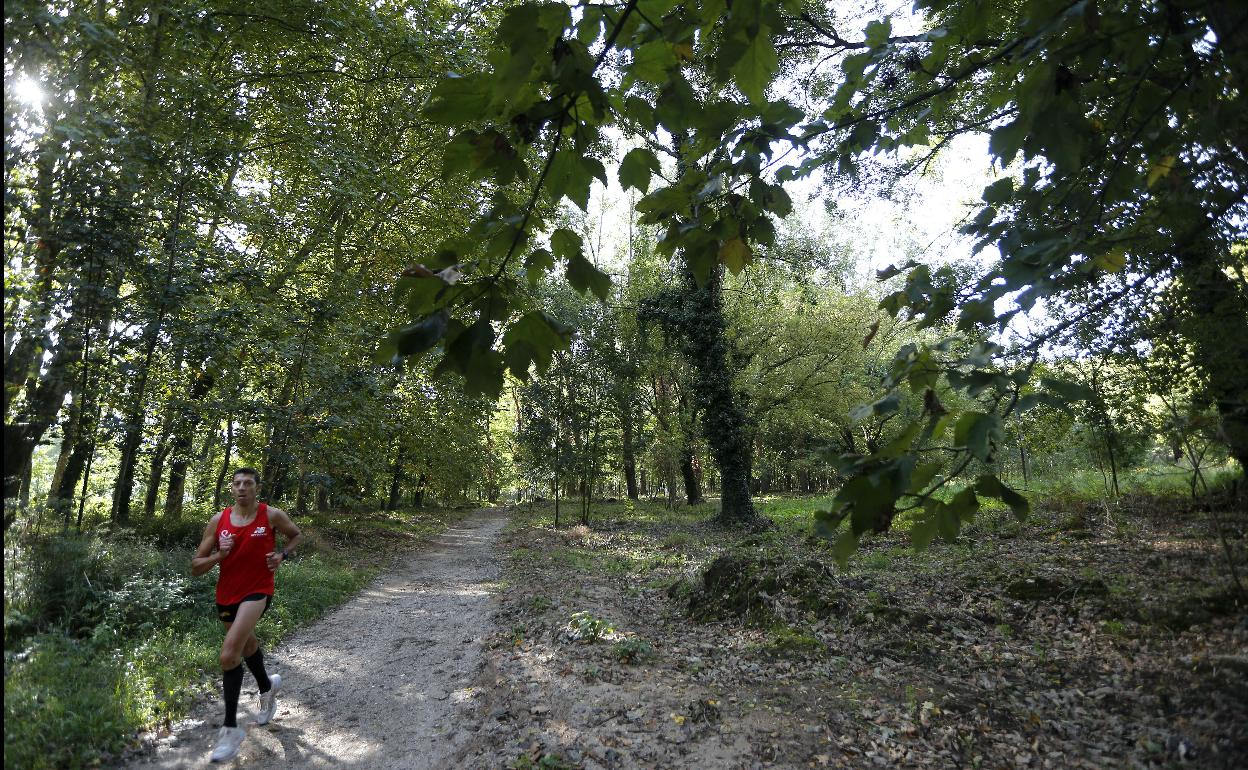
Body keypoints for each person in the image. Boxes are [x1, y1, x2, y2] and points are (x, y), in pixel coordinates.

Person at [192, 467, 303, 763]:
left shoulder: (271, 515)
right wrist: (219, 555)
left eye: (248, 483)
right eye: (237, 483)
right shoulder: (219, 521)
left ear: (256, 488)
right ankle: (268, 687)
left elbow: (295, 535)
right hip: (226, 595)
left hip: (258, 591)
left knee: (229, 654)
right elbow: (196, 566)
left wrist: (282, 555)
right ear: (231, 488)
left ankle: (230, 730)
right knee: (249, 646)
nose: (242, 487)